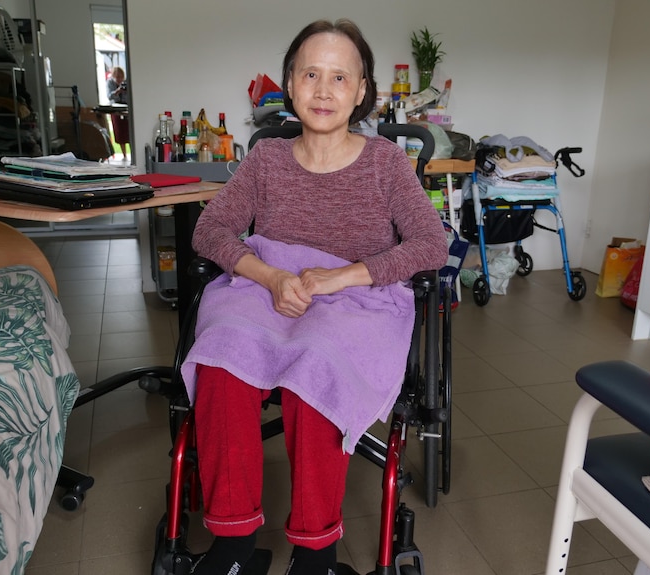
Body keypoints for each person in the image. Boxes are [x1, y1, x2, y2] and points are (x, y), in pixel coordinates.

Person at [180, 19, 447, 575]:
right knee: (222, 356)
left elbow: (431, 244)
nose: (323, 91)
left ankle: (316, 551)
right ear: (290, 83)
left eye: (339, 78)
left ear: (362, 90)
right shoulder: (267, 160)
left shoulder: (385, 163)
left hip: (356, 299)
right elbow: (210, 231)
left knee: (317, 371)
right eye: (310, 75)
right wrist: (271, 277)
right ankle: (232, 545)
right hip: (267, 288)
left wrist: (341, 276)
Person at [106, 66, 130, 160]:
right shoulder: (109, 83)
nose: (120, 80)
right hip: (115, 110)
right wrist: (117, 92)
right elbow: (109, 96)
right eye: (118, 78)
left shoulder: (127, 83)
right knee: (119, 133)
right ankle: (124, 155)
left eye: (121, 77)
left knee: (129, 132)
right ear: (113, 77)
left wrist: (125, 91)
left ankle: (132, 153)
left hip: (126, 109)